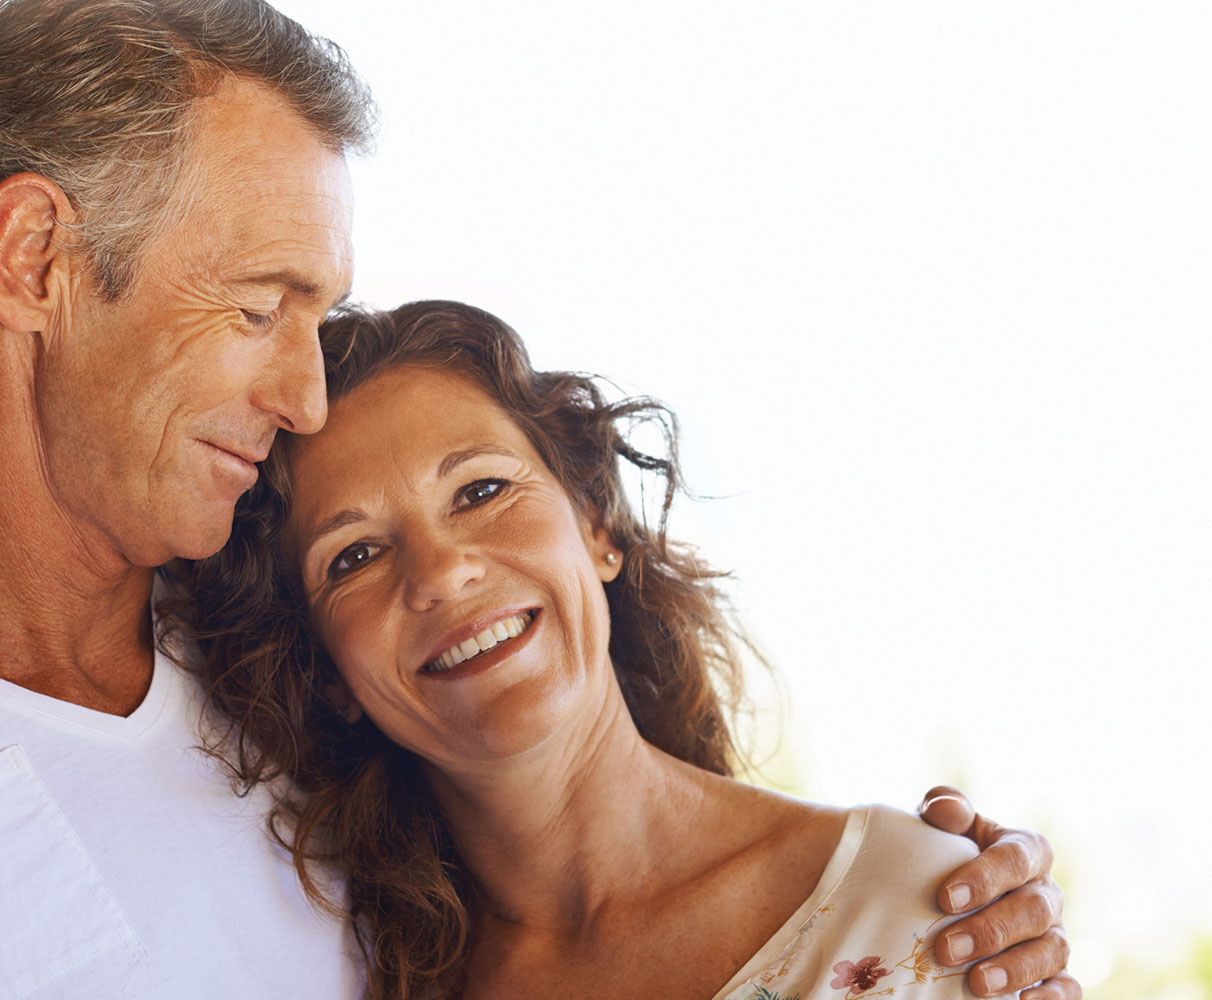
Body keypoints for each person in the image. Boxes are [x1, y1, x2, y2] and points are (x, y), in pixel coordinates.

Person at [0, 1, 1074, 998]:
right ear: (35, 257)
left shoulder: (265, 638)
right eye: (257, 308)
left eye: (320, 315)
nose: (302, 397)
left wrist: (911, 909)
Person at [170, 299, 1070, 1000]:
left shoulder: (920, 908)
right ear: (328, 675)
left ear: (597, 526)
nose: (441, 573)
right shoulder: (358, 978)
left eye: (481, 489)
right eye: (354, 556)